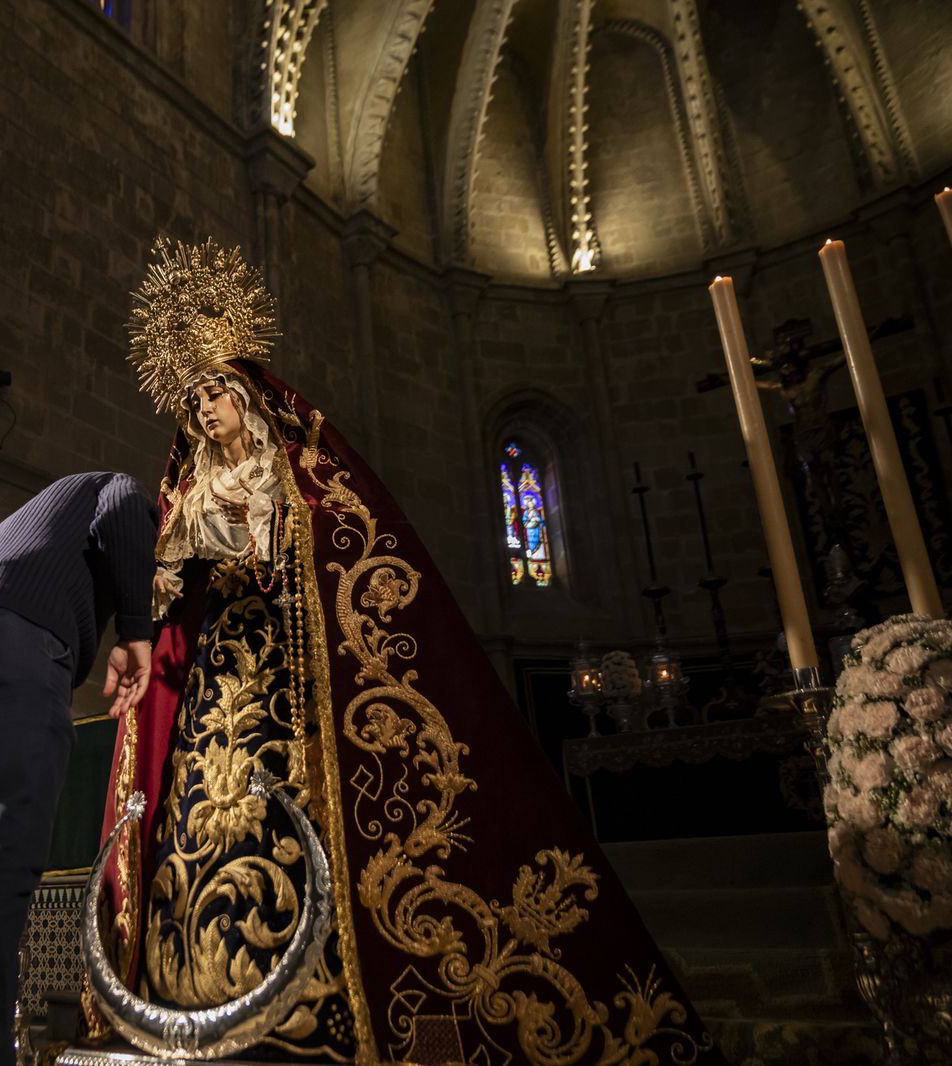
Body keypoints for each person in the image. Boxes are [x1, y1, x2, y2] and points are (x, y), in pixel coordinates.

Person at [85, 237, 725, 1065]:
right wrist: (163, 578)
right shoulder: (191, 485)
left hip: (289, 676)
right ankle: (187, 986)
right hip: (217, 680)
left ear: (246, 396)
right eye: (194, 400)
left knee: (290, 808)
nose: (205, 410)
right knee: (201, 813)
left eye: (216, 394)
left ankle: (309, 1001)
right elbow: (169, 581)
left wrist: (255, 534)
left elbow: (319, 543)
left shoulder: (293, 470)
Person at [0, 471, 158, 1066]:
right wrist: (136, 629)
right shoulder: (110, 486)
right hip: (19, 637)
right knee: (6, 851)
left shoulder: (39, 516)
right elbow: (124, 501)